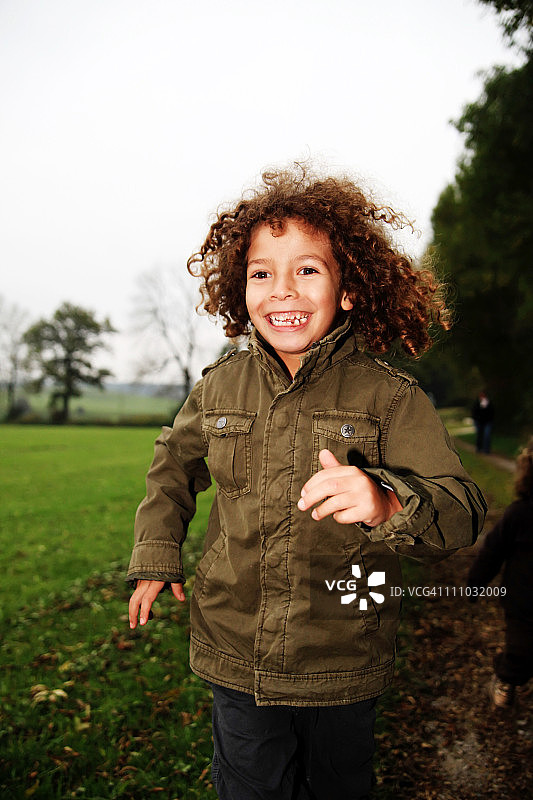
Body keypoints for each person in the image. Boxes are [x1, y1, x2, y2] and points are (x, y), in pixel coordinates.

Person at [127, 165, 486, 800]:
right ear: (240, 291)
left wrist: (386, 499)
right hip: (236, 650)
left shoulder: (390, 398)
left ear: (349, 289)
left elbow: (462, 511)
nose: (281, 290)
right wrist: (156, 554)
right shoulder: (218, 388)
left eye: (308, 269)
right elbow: (171, 468)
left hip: (344, 652)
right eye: (261, 272)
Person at [467, 439, 533, 708]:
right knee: (520, 651)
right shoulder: (520, 514)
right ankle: (506, 680)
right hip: (524, 604)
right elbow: (493, 552)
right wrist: (476, 582)